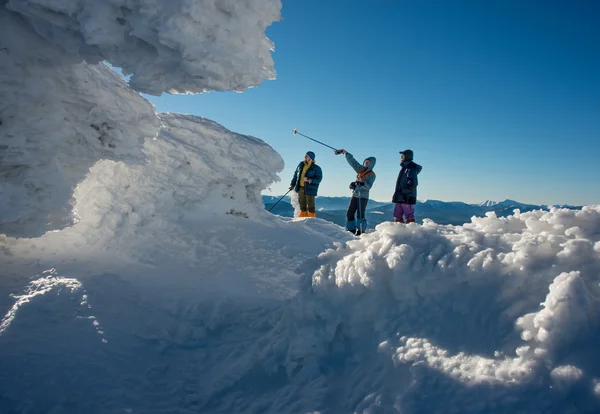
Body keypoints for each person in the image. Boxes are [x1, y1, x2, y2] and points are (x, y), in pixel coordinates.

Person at [334, 149, 376, 235]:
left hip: (363, 196)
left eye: (368, 163)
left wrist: (361, 183)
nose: (366, 163)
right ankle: (351, 230)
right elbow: (353, 162)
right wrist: (346, 153)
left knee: (360, 215)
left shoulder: (372, 175)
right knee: (350, 212)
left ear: (372, 164)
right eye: (366, 162)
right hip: (355, 195)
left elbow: (368, 186)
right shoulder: (360, 169)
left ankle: (361, 231)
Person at [392, 149, 422, 223]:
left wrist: (405, 191)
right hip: (400, 195)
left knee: (409, 215)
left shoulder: (411, 168)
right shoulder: (404, 168)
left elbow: (413, 183)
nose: (401, 158)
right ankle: (400, 231)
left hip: (407, 196)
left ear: (407, 157)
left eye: (402, 156)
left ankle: (411, 232)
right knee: (397, 214)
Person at [289, 151, 323, 218]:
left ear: (311, 158)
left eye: (307, 156)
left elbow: (319, 179)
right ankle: (302, 220)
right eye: (305, 155)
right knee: (302, 206)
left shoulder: (316, 168)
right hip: (300, 188)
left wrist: (309, 180)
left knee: (310, 207)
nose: (305, 157)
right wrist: (292, 184)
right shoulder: (301, 165)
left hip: (310, 189)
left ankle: (312, 220)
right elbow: (295, 175)